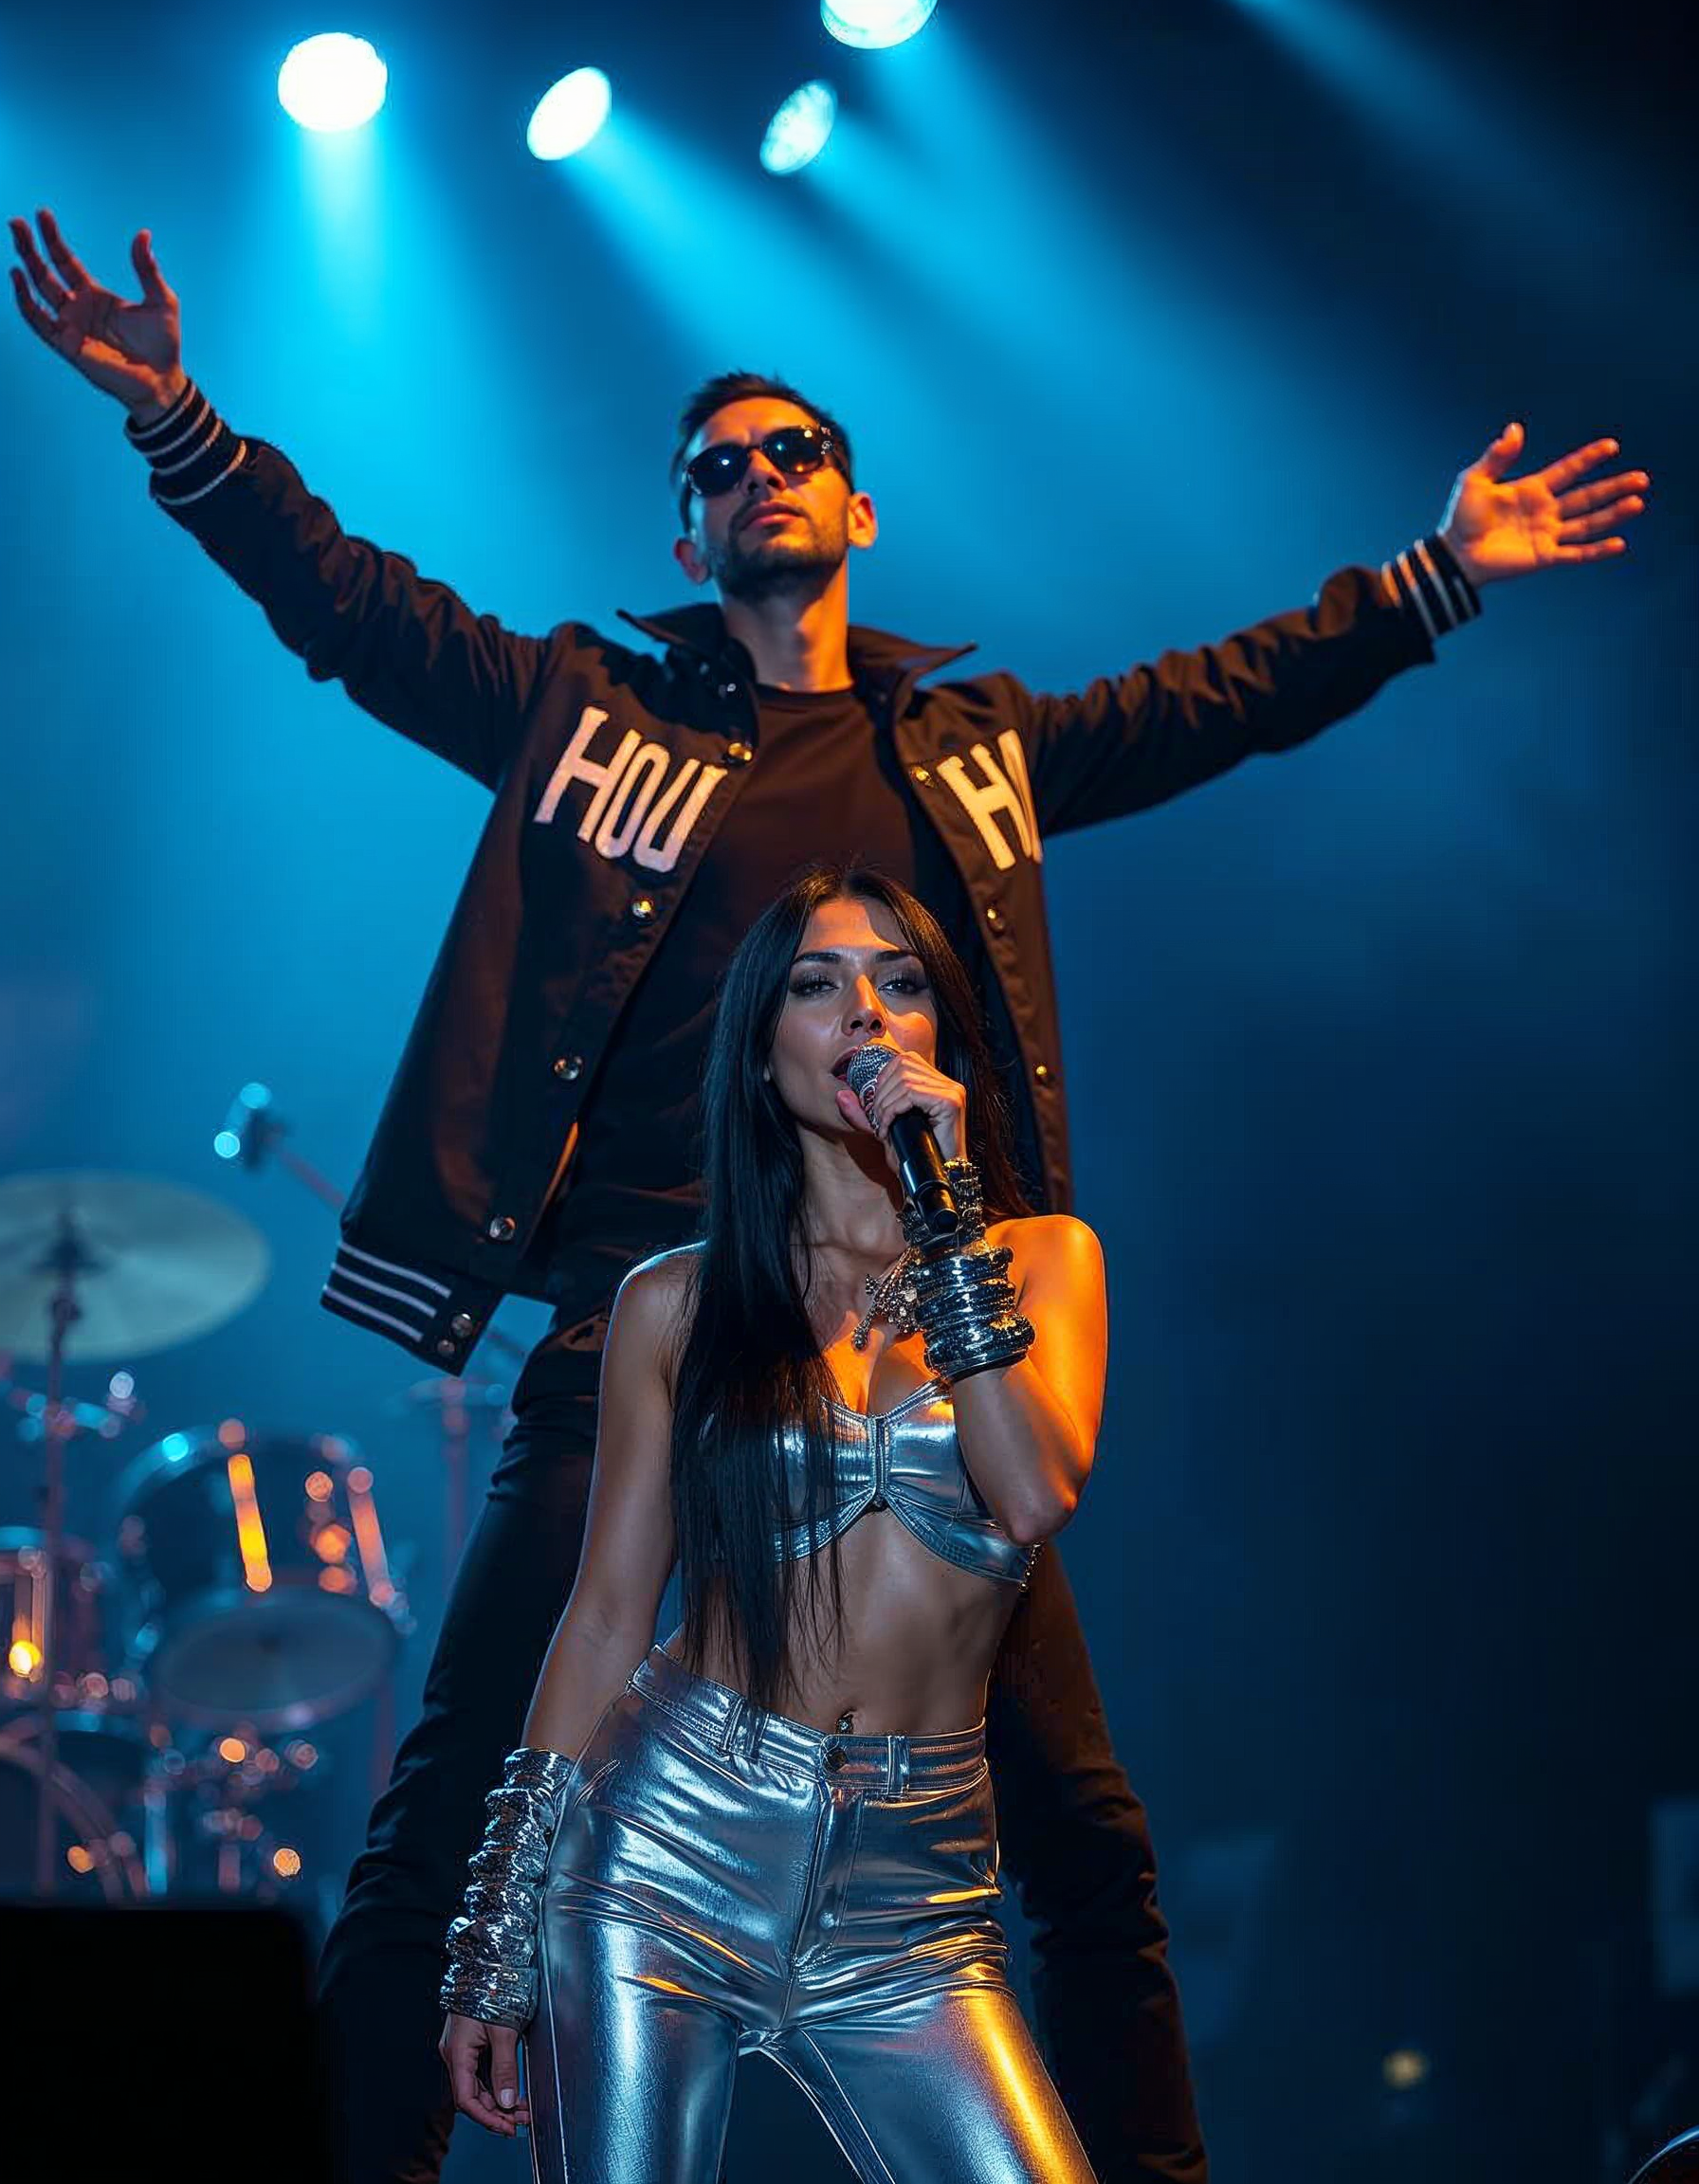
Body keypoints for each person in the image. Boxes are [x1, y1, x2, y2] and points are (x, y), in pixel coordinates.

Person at [8, 207, 1647, 2184]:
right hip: (642, 1333)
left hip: (908, 1344)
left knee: (1086, 1842)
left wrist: (1431, 578)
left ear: (854, 508)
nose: (756, 476)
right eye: (717, 466)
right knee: (450, 1815)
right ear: (685, 531)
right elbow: (355, 610)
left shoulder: (968, 754)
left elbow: (1210, 702)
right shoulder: (597, 717)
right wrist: (176, 417)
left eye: (791, 451)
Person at [441, 864, 1107, 2181]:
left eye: (900, 983)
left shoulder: (1042, 1261)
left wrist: (944, 1208)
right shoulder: (676, 1305)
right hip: (668, 1846)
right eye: (818, 985)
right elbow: (606, 1617)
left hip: (915, 1893)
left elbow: (1032, 1495)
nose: (867, 1012)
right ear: (761, 1056)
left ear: (937, 1035)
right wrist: (495, 1941)